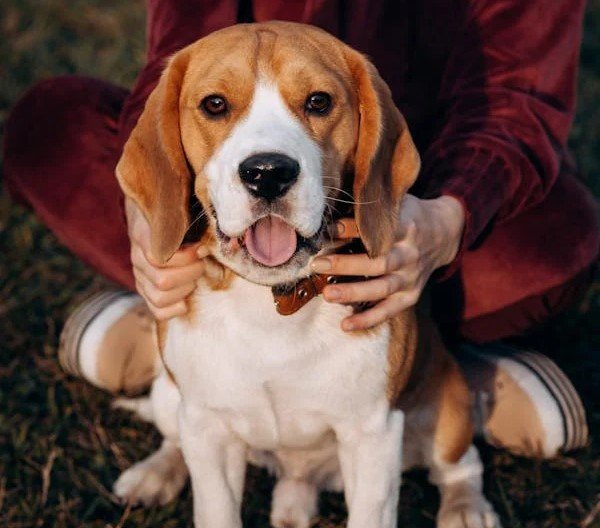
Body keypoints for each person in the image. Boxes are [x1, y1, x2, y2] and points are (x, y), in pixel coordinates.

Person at [4, 0, 598, 458]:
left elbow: (517, 98)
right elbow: (182, 57)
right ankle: (176, 332)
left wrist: (448, 216)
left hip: (410, 170)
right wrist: (148, 209)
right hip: (230, 180)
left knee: (560, 239)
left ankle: (430, 377)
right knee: (50, 124)